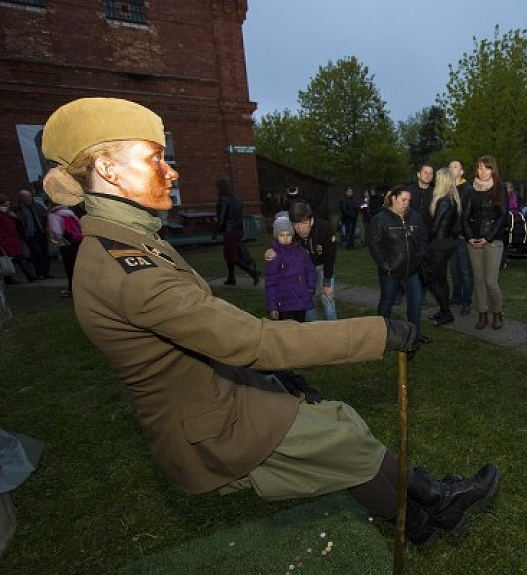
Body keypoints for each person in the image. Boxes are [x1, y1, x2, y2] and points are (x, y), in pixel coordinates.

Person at [40, 97, 500, 550]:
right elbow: (248, 339)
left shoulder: (131, 242)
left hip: (226, 392)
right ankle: (432, 506)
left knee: (343, 433)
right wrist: (380, 331)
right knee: (343, 441)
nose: (172, 171)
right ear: (108, 170)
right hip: (212, 426)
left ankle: (425, 515)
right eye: (156, 158)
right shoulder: (126, 268)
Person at [368, 185, 430, 343]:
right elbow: (374, 245)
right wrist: (386, 265)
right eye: (403, 200)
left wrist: (420, 256)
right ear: (393, 199)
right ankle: (380, 335)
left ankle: (414, 335)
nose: (406, 203)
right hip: (390, 272)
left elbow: (423, 237)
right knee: (386, 302)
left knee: (415, 304)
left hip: (412, 271)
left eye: (408, 200)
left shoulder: (415, 217)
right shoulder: (380, 219)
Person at [461, 156, 508, 330]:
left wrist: (487, 237)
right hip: (473, 240)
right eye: (480, 168)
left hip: (493, 240)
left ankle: (497, 312)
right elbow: (464, 216)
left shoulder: (500, 188)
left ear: (493, 170)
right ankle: (482, 313)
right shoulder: (469, 190)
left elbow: (502, 216)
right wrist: (470, 237)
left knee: (490, 281)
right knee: (478, 280)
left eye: (487, 168)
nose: (483, 172)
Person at [277, 202, 339, 321]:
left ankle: (334, 330)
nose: (300, 229)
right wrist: (270, 251)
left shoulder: (324, 229)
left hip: (323, 265)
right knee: (306, 299)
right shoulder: (291, 232)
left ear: (311, 220)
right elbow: (279, 242)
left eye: (304, 223)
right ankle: (312, 331)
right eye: (296, 224)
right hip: (304, 269)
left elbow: (330, 257)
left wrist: (326, 282)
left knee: (327, 298)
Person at [426, 168, 461, 326]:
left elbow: (435, 227)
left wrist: (424, 238)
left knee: (432, 280)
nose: (435, 181)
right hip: (447, 243)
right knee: (441, 279)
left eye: (437, 178)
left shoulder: (444, 200)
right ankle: (443, 310)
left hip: (439, 245)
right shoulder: (452, 199)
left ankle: (446, 313)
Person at [264, 216, 316, 322]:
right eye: (281, 235)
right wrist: (272, 306)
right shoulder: (274, 256)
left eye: (288, 235)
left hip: (300, 301)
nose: (285, 238)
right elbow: (270, 283)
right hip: (283, 303)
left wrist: (310, 289)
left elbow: (310, 270)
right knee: (285, 333)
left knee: (300, 329)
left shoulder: (301, 252)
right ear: (276, 236)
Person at [212, 178, 261, 286]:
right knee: (232, 254)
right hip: (238, 230)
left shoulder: (223, 200)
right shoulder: (237, 200)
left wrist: (216, 232)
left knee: (231, 256)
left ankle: (252, 273)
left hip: (230, 231)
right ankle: (231, 278)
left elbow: (221, 217)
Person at [448, 160, 473, 316]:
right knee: (454, 270)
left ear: (462, 171)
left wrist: (466, 233)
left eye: (455, 166)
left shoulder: (468, 189)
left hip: (463, 237)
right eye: (449, 166)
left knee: (465, 271)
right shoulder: (447, 189)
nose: (451, 169)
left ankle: (466, 302)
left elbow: (469, 214)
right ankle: (456, 297)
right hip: (450, 237)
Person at [47, 200, 83, 297]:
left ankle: (71, 289)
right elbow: (80, 225)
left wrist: (58, 240)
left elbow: (56, 231)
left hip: (65, 243)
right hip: (76, 241)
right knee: (77, 266)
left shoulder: (53, 215)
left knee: (69, 267)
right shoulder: (69, 212)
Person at [14, 189, 51, 280]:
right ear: (21, 198)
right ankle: (39, 273)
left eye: (29, 196)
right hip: (29, 234)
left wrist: (47, 227)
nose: (28, 199)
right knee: (36, 253)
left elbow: (46, 216)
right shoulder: (18, 209)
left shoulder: (37, 206)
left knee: (45, 253)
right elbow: (18, 220)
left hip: (41, 232)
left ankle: (46, 273)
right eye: (25, 197)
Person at [0, 194, 36, 284]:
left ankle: (29, 276)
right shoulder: (3, 215)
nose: (9, 202)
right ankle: (10, 278)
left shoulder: (8, 213)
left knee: (20, 258)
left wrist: (16, 217)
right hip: (6, 241)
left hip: (13, 239)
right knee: (8, 260)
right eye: (6, 201)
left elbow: (17, 224)